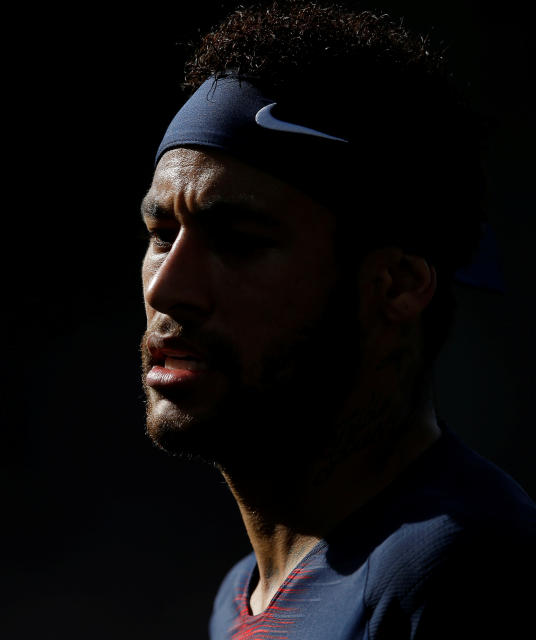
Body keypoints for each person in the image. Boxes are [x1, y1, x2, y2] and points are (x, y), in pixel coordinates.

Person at [139, 2, 535, 638]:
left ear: (398, 285)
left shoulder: (462, 574)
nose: (168, 287)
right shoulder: (242, 595)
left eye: (239, 240)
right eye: (162, 234)